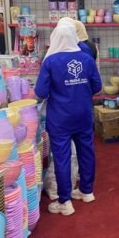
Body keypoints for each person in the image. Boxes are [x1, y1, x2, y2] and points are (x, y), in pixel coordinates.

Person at [35, 23, 102, 216]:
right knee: (86, 151)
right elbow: (97, 87)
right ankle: (87, 191)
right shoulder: (87, 59)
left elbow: (40, 92)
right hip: (83, 114)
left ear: (55, 37)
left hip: (60, 118)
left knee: (62, 157)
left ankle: (65, 201)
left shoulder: (50, 62)